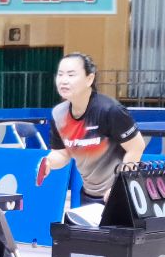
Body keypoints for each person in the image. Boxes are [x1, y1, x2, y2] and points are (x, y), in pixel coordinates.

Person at [41, 52, 146, 205]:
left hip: (121, 194)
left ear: (89, 79)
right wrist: (49, 163)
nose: (63, 80)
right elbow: (62, 153)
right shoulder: (59, 114)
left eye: (71, 75)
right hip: (89, 193)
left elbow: (136, 147)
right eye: (60, 74)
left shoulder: (110, 110)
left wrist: (119, 187)